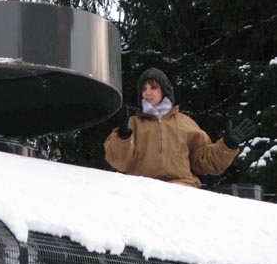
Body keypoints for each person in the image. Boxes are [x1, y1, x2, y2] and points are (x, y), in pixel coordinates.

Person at [104, 67, 257, 187]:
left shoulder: (185, 123)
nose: (147, 93)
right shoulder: (133, 123)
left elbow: (203, 161)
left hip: (182, 190)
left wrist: (227, 145)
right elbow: (119, 162)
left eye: (153, 87)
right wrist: (123, 137)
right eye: (144, 89)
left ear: (164, 90)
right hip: (142, 190)